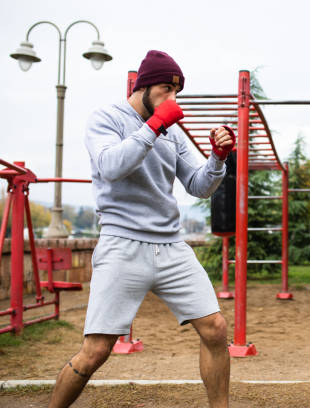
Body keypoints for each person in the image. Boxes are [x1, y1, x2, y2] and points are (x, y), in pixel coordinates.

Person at [49, 50, 234, 408]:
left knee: (216, 328)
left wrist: (217, 158)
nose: (172, 99)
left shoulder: (173, 133)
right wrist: (153, 126)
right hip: (122, 244)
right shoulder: (106, 118)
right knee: (96, 350)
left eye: (176, 92)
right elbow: (110, 167)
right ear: (144, 86)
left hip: (170, 246)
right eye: (166, 88)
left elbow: (198, 186)